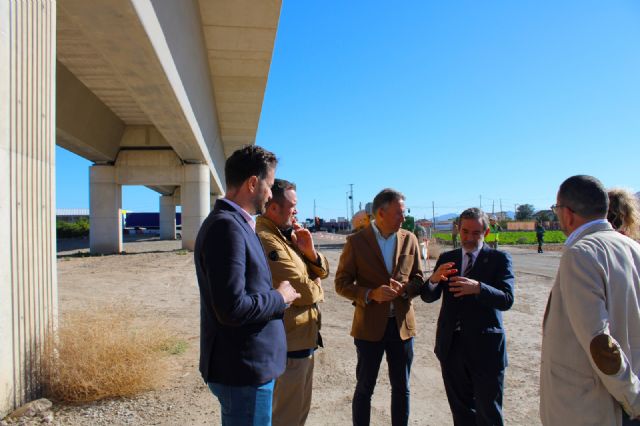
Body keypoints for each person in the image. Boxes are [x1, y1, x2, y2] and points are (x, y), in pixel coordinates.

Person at [194, 146, 301, 425]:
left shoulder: (237, 224)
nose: (270, 193)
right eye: (268, 185)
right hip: (243, 371)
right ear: (253, 183)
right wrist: (280, 297)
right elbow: (231, 308)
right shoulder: (226, 227)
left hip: (248, 370)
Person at [540, 175, 640, 425]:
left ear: (567, 213)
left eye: (556, 209)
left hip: (593, 407)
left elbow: (600, 343)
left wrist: (634, 399)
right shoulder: (632, 248)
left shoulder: (580, 253)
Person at [335, 188, 424, 426]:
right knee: (365, 388)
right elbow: (341, 284)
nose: (403, 218)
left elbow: (418, 278)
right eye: (399, 213)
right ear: (381, 213)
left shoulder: (410, 239)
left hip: (402, 327)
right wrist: (370, 294)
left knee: (401, 388)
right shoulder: (356, 242)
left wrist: (405, 290)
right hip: (369, 328)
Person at [421, 207, 515, 426]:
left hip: (486, 350)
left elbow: (507, 299)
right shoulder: (448, 258)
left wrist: (480, 288)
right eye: (465, 232)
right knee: (461, 413)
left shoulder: (499, 259)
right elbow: (428, 296)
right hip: (452, 348)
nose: (469, 238)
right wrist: (434, 279)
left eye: (476, 233)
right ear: (458, 230)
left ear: (487, 232)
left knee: (489, 414)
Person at [256, 179, 330, 426]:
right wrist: (317, 288)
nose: (297, 210)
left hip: (303, 338)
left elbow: (323, 271)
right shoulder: (267, 238)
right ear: (273, 208)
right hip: (289, 343)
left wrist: (309, 252)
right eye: (292, 205)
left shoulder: (286, 236)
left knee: (298, 413)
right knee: (287, 416)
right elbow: (301, 290)